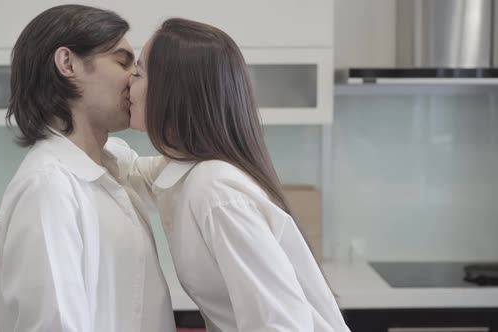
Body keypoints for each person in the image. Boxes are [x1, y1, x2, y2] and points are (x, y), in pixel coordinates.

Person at [128, 18, 350, 332]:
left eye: (137, 73)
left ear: (173, 90)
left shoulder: (215, 191)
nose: (128, 85)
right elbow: (128, 168)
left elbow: (281, 326)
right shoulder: (189, 172)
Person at [0, 5, 175, 332]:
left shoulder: (111, 162)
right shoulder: (48, 189)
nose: (135, 76)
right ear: (68, 63)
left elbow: (175, 172)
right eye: (123, 60)